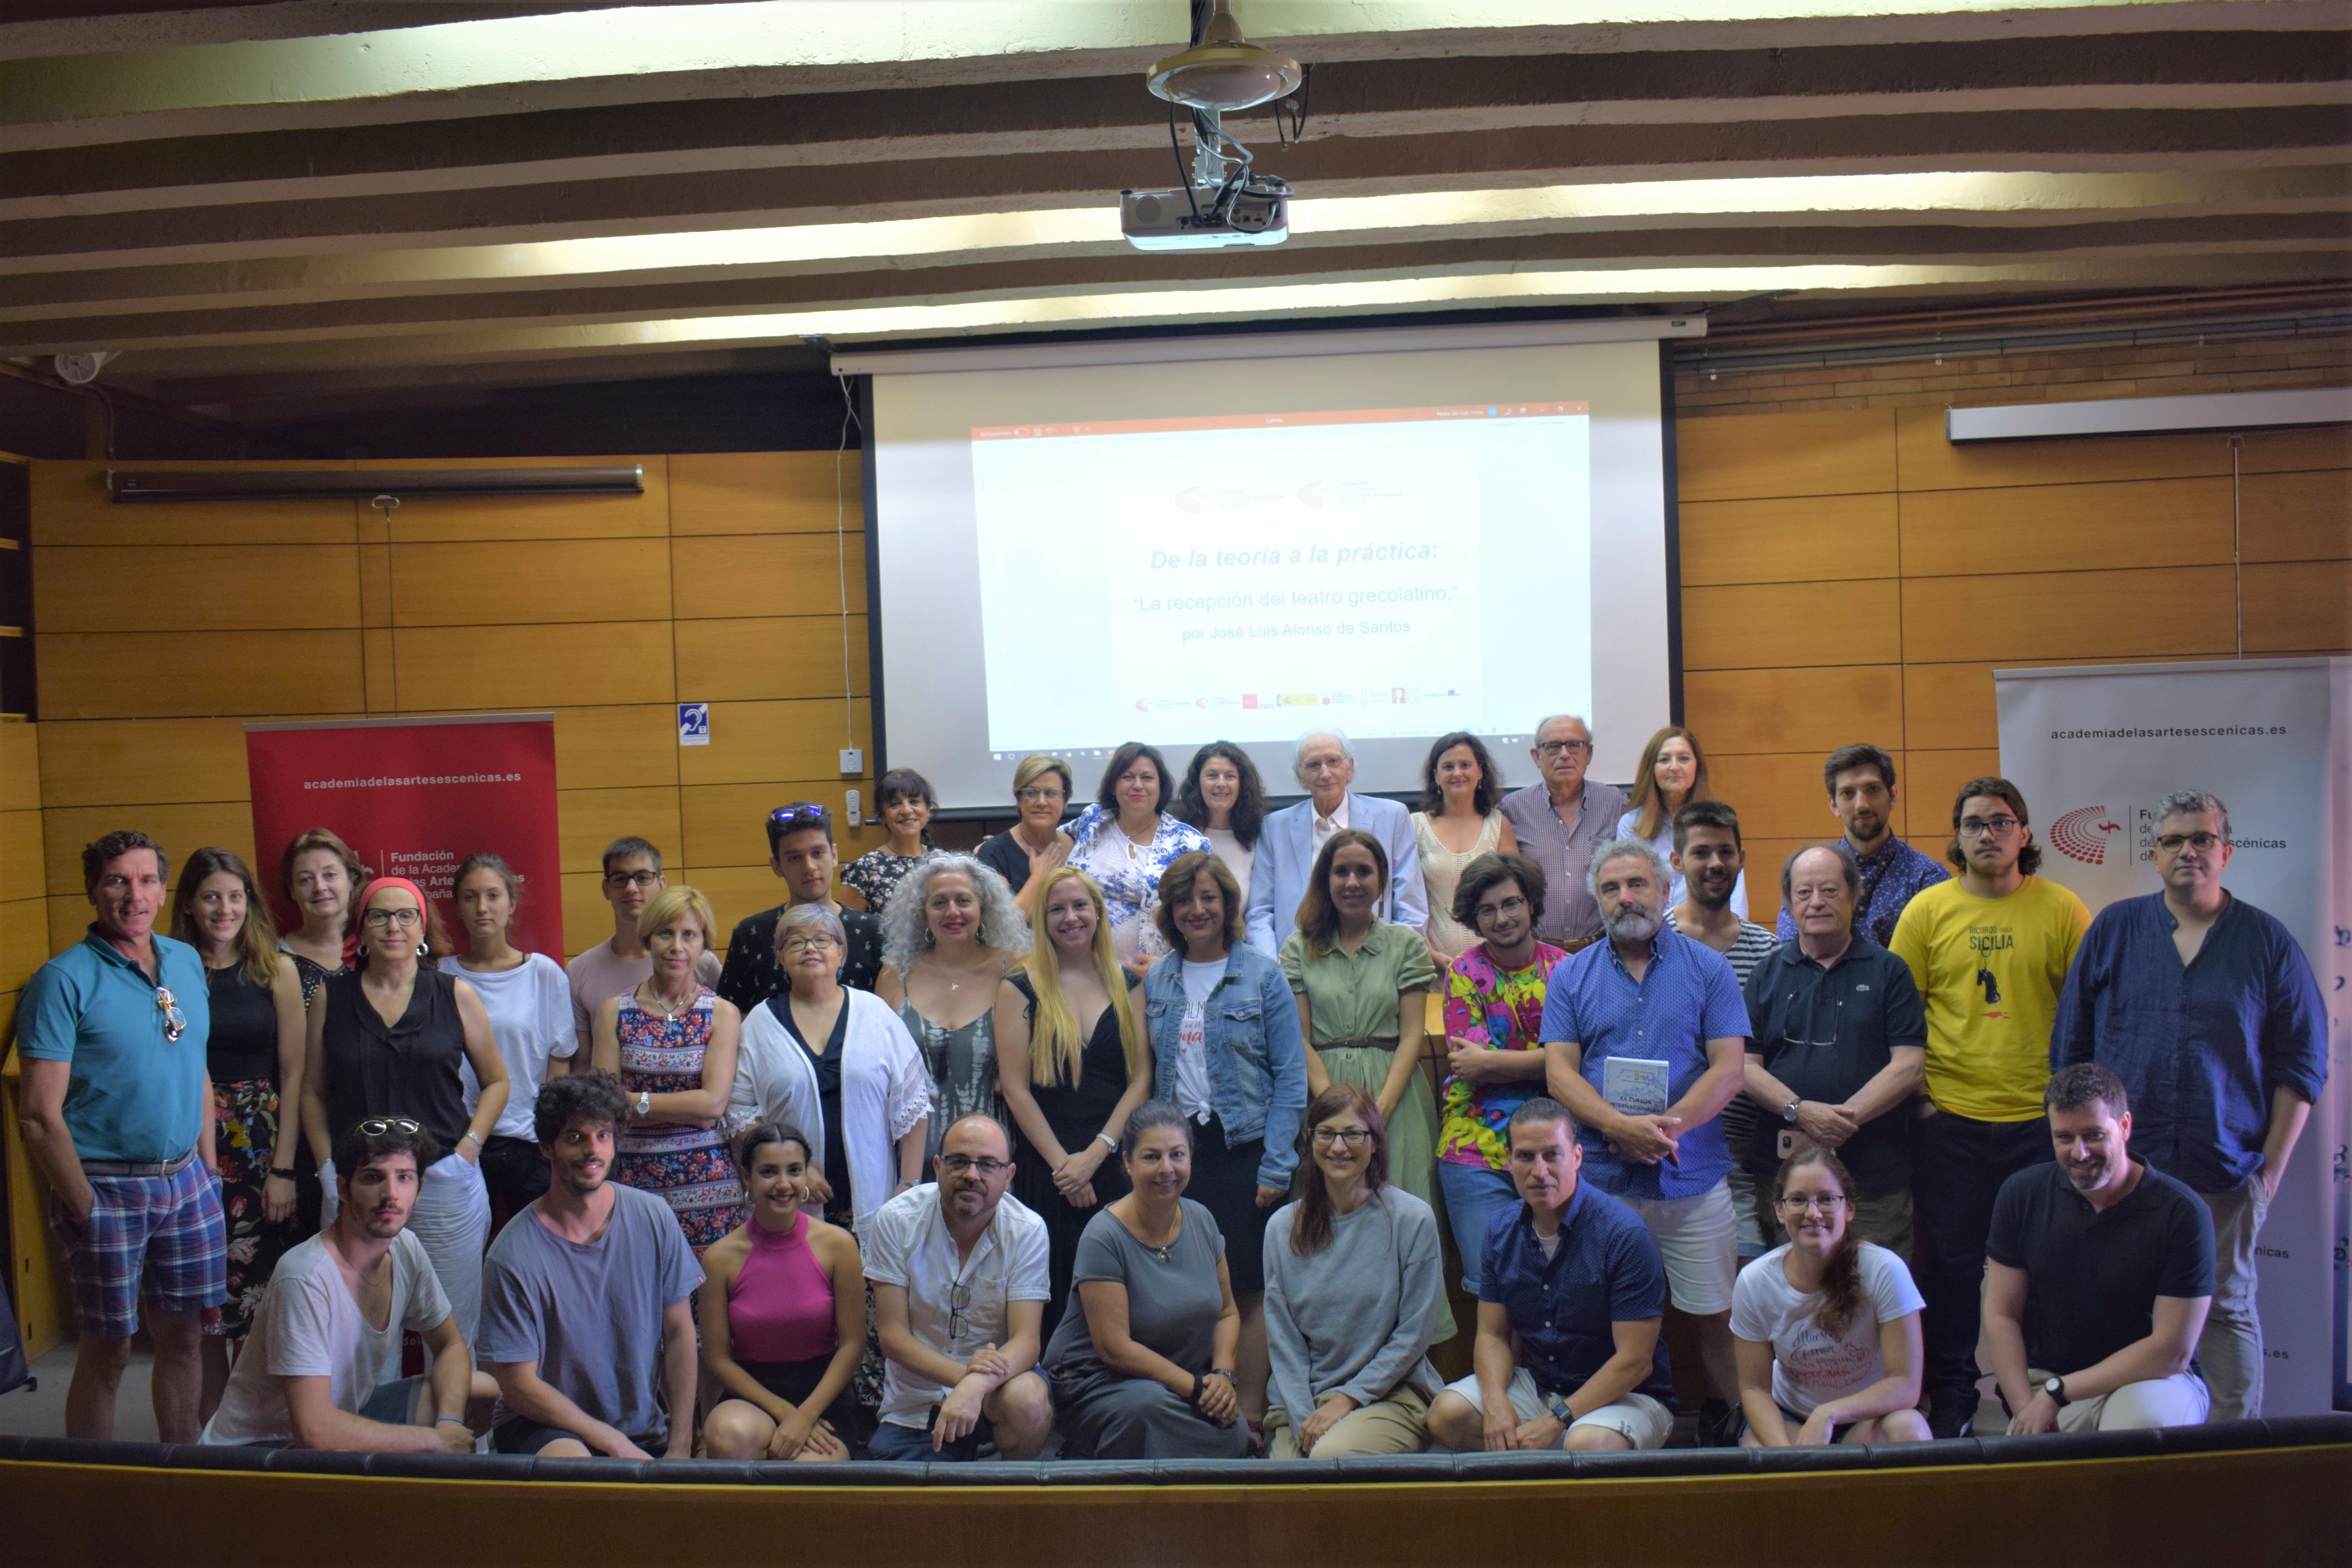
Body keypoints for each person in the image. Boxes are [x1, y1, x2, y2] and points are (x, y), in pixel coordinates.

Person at [2051, 789, 2327, 1422]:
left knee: (2226, 1308)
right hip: (2124, 1171)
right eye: (2173, 839)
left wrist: (2269, 1173)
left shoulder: (2265, 942)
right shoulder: (2114, 930)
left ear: (2225, 851)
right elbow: (2071, 1050)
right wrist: (2083, 1155)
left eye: (2201, 838)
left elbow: (2301, 1066)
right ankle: (2119, 1442)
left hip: (2224, 1168)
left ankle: (2234, 1456)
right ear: (2152, 854)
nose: (2187, 850)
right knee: (2120, 1304)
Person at [1890, 776, 2091, 1438]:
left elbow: (2087, 1013)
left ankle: (2030, 1392)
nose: (1987, 833)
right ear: (1956, 836)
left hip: (2039, 1125)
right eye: (1973, 822)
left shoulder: (2061, 908)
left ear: (2024, 834)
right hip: (1950, 1121)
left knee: (2040, 1265)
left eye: (2000, 821)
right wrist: (1920, 1101)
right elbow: (1900, 1015)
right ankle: (1950, 1393)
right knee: (1949, 1268)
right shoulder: (1926, 910)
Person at [1541, 837, 1749, 1441]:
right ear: (1597, 900)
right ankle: (1612, 1427)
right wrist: (1617, 1127)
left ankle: (1731, 1420)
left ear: (1664, 889)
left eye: (1636, 883)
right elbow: (1558, 1071)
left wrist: (1664, 1131)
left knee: (1714, 1312)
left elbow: (1728, 1068)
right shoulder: (1570, 975)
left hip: (1691, 1175)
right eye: (1610, 887)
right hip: (1603, 1182)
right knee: (1605, 1317)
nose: (1624, 896)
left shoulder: (1708, 968)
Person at [18, 831, 223, 1442]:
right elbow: (38, 1114)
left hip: (187, 1180)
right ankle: (94, 1489)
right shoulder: (62, 980)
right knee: (107, 1349)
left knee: (185, 1337)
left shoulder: (185, 960)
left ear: (163, 890)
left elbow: (197, 1063)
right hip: (107, 1187)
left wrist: (208, 1171)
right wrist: (84, 1206)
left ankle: (180, 1469)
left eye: (146, 880)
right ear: (93, 889)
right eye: (117, 880)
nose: (133, 894)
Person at [301, 875, 505, 1347]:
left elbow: (498, 1081)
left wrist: (468, 1149)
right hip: (359, 1184)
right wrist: (326, 1166)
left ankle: (453, 1421)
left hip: (442, 1180)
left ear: (423, 928)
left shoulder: (455, 993)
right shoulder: (332, 997)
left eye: (405, 915)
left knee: (452, 1326)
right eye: (379, 914)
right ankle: (366, 1422)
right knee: (361, 1325)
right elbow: (312, 1091)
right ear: (362, 929)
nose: (393, 925)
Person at [1140, 852, 1306, 1425]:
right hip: (1180, 1155)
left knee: (1248, 1289)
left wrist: (1277, 1164)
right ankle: (1195, 1403)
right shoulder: (1158, 976)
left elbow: (1290, 1077)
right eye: (1184, 899)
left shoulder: (1262, 973)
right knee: (1191, 1286)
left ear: (1228, 904)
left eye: (1208, 896)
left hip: (1246, 1151)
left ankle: (1252, 1413)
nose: (1196, 909)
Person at [200, 1118, 480, 1452]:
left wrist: (448, 1422)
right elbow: (315, 1432)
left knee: (481, 1390)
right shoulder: (304, 1277)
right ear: (344, 1189)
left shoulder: (407, 1248)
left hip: (335, 1422)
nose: (391, 1194)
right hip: (260, 1453)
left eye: (404, 1177)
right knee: (433, 1443)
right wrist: (433, 1440)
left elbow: (450, 1345)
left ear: (419, 1191)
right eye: (373, 1177)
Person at [1425, 1099, 1676, 1453]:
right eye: (1526, 1157)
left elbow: (1634, 1362)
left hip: (1627, 1396)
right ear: (1508, 1161)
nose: (1540, 1171)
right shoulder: (1500, 1229)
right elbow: (1492, 1334)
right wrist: (1496, 1403)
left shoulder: (1623, 1234)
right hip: (1543, 1386)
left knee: (1587, 1443)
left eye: (1552, 1155)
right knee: (1446, 1414)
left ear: (1576, 1157)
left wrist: (1555, 1419)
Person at [479, 1072, 704, 1458]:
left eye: (603, 1135)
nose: (592, 1150)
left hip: (639, 1429)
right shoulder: (511, 1254)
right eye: (575, 1137)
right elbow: (518, 1385)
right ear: (547, 1147)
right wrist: (611, 1442)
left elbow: (681, 1332)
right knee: (577, 1465)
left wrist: (680, 1444)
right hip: (545, 1428)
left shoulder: (653, 1216)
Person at [1983, 1064, 2216, 1434]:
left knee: (2136, 1426)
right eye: (2063, 1137)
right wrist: (2024, 1410)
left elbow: (2171, 1350)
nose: (2079, 1152)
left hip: (2149, 1381)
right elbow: (2001, 1314)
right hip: (2047, 1381)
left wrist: (2058, 1393)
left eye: (2093, 1135)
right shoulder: (2021, 1194)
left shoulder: (2182, 1213)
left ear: (2124, 1127)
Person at [170, 847, 308, 1422]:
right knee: (204, 1295)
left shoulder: (275, 966)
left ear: (249, 900)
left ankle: (254, 1422)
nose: (224, 908)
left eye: (235, 895)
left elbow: (296, 1071)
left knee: (258, 1293)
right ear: (189, 905)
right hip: (190, 1139)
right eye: (210, 896)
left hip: (259, 1141)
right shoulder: (171, 969)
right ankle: (209, 1422)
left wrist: (282, 1169)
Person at [1742, 844, 1926, 1260]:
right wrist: (1800, 1111)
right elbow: (1745, 1065)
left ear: (1853, 895)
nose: (1816, 902)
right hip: (1784, 1177)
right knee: (1793, 1298)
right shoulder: (1766, 974)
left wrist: (1839, 1122)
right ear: (1788, 902)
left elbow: (1909, 1064)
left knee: (1876, 1296)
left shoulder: (1889, 971)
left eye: (1829, 889)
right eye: (1803, 892)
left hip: (1874, 1177)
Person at [994, 866, 1152, 1343]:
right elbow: (1014, 1088)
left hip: (1112, 1164)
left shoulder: (1128, 984)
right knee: (1053, 1289)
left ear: (1098, 912)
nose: (1070, 917)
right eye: (1056, 908)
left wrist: (1096, 1154)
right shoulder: (1018, 985)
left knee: (1120, 1294)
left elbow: (1141, 1077)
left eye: (1080, 906)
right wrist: (1066, 1165)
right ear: (1041, 919)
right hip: (1049, 1169)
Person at [1044, 1101, 1254, 1459]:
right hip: (1096, 1381)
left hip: (1175, 1383)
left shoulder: (1202, 1219)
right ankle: (1084, 1459)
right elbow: (1115, 1348)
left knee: (1234, 1434)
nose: (1166, 1169)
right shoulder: (1103, 1236)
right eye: (1151, 1157)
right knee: (1149, 1410)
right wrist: (1197, 1387)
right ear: (1127, 1162)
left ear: (1190, 1160)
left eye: (1177, 1155)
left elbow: (1227, 1312)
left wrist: (1222, 1375)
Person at [725, 902, 933, 1242]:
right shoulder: (758, 1024)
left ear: (841, 952)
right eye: (795, 941)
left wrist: (908, 1186)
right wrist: (793, 1166)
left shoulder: (875, 1013)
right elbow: (738, 1113)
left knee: (874, 1294)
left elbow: (913, 1105)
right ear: (779, 957)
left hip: (876, 1203)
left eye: (822, 939)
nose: (809, 947)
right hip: (789, 1201)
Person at [1262, 1084, 1450, 1459]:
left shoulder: (1411, 1219)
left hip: (1392, 1394)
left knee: (1329, 1459)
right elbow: (1284, 1341)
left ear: (1375, 1141)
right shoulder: (1282, 1226)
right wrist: (1304, 1420)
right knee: (1285, 1483)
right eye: (1326, 1134)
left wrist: (1347, 1399)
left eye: (1352, 1134)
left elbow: (1413, 1334)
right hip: (1303, 1400)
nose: (1338, 1147)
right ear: (1311, 1141)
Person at [866, 1114, 1055, 1460]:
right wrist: (964, 1376)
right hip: (917, 1405)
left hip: (996, 1394)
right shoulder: (895, 1220)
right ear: (937, 1166)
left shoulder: (1028, 1229)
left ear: (1009, 1175)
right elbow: (893, 1337)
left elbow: (1026, 1342)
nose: (972, 1174)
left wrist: (976, 1386)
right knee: (908, 1507)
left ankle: (1013, 1498)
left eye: (987, 1165)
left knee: (1028, 1401)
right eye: (959, 1162)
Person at [1281, 829, 1440, 1212]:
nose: (1352, 882)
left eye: (1364, 871)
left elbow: (1410, 1035)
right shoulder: (1297, 948)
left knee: (1403, 1210)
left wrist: (1379, 1109)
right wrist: (1335, 1108)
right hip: (1322, 1089)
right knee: (1325, 1215)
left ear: (1381, 882)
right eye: (1341, 872)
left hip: (1395, 1093)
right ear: (1326, 880)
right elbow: (1298, 1039)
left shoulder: (1407, 946)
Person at [1731, 1147, 1929, 1448]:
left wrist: (1829, 1413)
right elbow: (1754, 1389)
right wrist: (1786, 1456)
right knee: (1755, 1452)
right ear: (1779, 1210)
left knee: (1909, 1428)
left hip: (1866, 1419)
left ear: (1849, 1208)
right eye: (1798, 1199)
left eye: (1827, 1199)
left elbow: (1905, 1385)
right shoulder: (1755, 1280)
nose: (1813, 1213)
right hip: (1793, 1421)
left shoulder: (1884, 1269)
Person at [1437, 853, 1565, 1295]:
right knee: (1493, 1288)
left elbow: (1573, 1061)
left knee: (1562, 1284)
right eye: (1486, 910)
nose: (1501, 917)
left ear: (1531, 903)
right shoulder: (1463, 971)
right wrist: (1548, 1059)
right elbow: (1470, 1063)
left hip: (1554, 1145)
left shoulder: (1565, 969)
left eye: (1510, 903)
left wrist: (1498, 1062)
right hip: (1474, 1145)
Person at [592, 884, 745, 1254]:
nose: (677, 946)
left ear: (704, 944)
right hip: (635, 1185)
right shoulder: (614, 1010)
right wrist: (683, 1108)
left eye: (689, 935)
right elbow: (605, 1108)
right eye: (666, 933)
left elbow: (712, 1105)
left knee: (710, 1304)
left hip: (708, 1187)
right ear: (648, 938)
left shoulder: (722, 1013)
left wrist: (637, 1102)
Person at [1663, 801, 1785, 1262]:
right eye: (1700, 852)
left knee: (1754, 1278)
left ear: (1740, 857)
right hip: (1677, 1150)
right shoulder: (1655, 943)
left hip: (1751, 1150)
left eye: (1725, 852)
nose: (1715, 863)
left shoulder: (1767, 949)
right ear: (1676, 861)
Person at [698, 1124, 862, 1461]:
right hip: (751, 1395)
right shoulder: (719, 1257)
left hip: (823, 1399)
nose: (784, 1184)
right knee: (728, 1437)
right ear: (747, 1177)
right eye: (769, 1172)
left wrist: (805, 1415)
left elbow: (853, 1345)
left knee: (803, 1477)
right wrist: (786, 1413)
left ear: (806, 1175)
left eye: (794, 1171)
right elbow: (717, 1359)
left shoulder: (838, 1245)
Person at [441, 852, 575, 1226]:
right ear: (458, 906)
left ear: (512, 904)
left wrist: (548, 1135)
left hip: (527, 1145)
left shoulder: (543, 973)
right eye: (470, 897)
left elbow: (559, 1061)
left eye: (493, 896)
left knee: (536, 1253)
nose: (482, 907)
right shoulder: (439, 976)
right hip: (458, 1143)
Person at [875, 852, 1028, 1170]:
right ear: (923, 913)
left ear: (983, 909)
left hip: (989, 1162)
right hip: (912, 1163)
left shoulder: (1014, 968)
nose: (952, 911)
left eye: (964, 900)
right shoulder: (894, 974)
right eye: (939, 902)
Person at [1246, 728, 1425, 956]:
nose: (1325, 773)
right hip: (1298, 964)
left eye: (1333, 761)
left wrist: (1395, 963)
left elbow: (1411, 905)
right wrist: (1275, 972)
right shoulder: (1274, 827)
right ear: (1301, 777)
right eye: (1313, 765)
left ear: (1349, 768)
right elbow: (1260, 913)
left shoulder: (1392, 817)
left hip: (1376, 960)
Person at [1773, 744, 1947, 947]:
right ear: (1833, 805)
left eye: (1872, 789)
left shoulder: (1927, 878)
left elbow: (1941, 961)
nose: (1862, 805)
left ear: (1893, 796)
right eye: (1848, 793)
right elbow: (1790, 954)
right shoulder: (1807, 874)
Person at [1060, 741, 1212, 973]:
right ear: (1113, 786)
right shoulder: (1092, 820)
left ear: (1161, 786)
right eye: (1128, 777)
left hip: (1156, 975)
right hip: (1082, 970)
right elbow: (1046, 839)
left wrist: (1168, 967)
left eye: (1148, 778)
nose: (1138, 786)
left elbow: (1207, 916)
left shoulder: (1189, 843)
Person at [719, 802, 884, 1009]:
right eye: (795, 858)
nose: (809, 867)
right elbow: (732, 1017)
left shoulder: (873, 932)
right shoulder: (751, 935)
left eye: (818, 853)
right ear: (777, 866)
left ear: (834, 855)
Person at [564, 836, 720, 1056]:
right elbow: (583, 1068)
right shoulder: (580, 970)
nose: (631, 888)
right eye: (620, 878)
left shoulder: (701, 962)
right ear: (606, 888)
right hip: (610, 1090)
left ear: (662, 885)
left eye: (643, 877)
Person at [1497, 714, 1628, 952]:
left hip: (1601, 948)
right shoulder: (1512, 809)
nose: (1565, 754)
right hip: (1534, 952)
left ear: (1588, 753)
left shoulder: (1615, 804)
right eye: (1553, 747)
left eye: (1574, 745)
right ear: (1537, 757)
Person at [1409, 731, 1519, 963]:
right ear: (1436, 777)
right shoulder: (1415, 825)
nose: (1457, 773)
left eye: (1465, 765)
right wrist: (1430, 954)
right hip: (1429, 966)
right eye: (1448, 767)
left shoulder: (1498, 824)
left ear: (1480, 772)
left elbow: (1514, 899)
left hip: (1494, 964)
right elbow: (1406, 900)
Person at [1618, 726, 1747, 917]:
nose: (1674, 767)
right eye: (1664, 760)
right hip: (1648, 934)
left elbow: (1735, 893)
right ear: (1651, 769)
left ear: (1697, 766)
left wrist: (1729, 935)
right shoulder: (1631, 825)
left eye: (1684, 759)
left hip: (1705, 931)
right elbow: (1625, 890)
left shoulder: (1717, 823)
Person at [974, 753, 1075, 917]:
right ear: (1019, 800)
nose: (1042, 802)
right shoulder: (994, 852)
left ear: (1065, 802)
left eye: (1051, 793)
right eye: (1031, 793)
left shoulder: (1078, 845)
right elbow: (1001, 927)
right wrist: (1040, 877)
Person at [277, 827, 367, 1009]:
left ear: (351, 880)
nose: (320, 887)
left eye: (330, 875)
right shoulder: (273, 956)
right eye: (306, 880)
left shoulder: (378, 947)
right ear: (292, 890)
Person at [1174, 740, 1269, 905]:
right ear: (1198, 783)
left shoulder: (1260, 838)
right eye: (1212, 776)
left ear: (1242, 784)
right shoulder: (1177, 836)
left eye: (1230, 777)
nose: (1221, 784)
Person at [842, 768, 937, 916]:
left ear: (928, 810)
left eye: (914, 802)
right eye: (895, 804)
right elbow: (848, 932)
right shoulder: (863, 870)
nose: (906, 810)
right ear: (882, 816)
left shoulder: (942, 863)